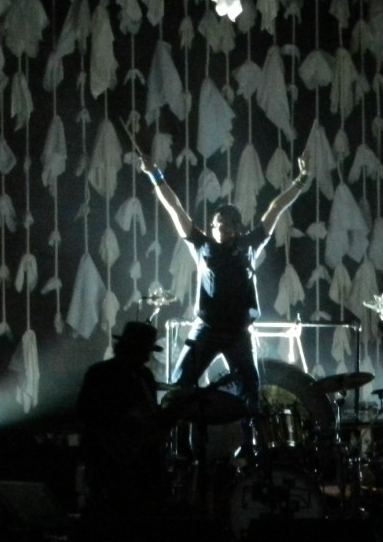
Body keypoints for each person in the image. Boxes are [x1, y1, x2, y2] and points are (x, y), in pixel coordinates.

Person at [140, 153, 312, 459]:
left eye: (229, 225)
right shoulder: (202, 245)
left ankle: (251, 447)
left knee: (250, 390)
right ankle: (174, 447)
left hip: (238, 333)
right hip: (206, 329)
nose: (223, 229)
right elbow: (175, 208)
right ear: (212, 226)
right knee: (180, 386)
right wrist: (154, 174)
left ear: (237, 228)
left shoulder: (248, 246)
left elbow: (275, 209)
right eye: (218, 224)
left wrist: (300, 181)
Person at [75, 320, 174, 540]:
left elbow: (151, 419)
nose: (147, 357)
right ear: (131, 349)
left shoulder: (145, 377)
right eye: (144, 351)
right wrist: (123, 419)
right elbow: (85, 412)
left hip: (139, 461)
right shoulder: (101, 373)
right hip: (107, 459)